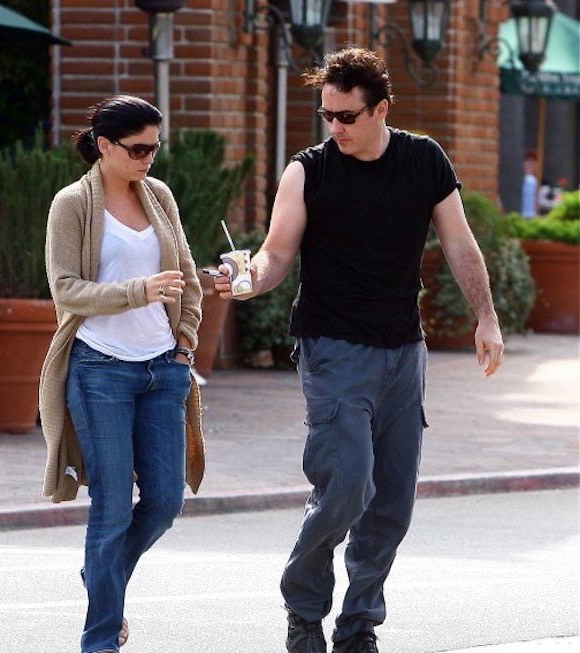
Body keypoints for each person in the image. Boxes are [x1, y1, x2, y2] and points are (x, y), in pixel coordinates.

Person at [214, 48, 504, 653]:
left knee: (392, 501)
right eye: (327, 116)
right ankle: (303, 607)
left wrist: (486, 317)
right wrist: (245, 279)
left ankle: (357, 626)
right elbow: (274, 255)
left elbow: (461, 246)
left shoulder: (424, 160)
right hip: (333, 348)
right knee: (347, 484)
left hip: (404, 351)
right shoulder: (308, 171)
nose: (336, 128)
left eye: (347, 116)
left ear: (381, 110)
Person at [38, 95, 204, 653]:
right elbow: (65, 289)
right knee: (110, 507)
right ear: (104, 146)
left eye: (155, 147)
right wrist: (139, 291)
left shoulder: (159, 195)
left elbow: (186, 275)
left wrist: (184, 344)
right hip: (99, 369)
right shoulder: (71, 205)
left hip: (163, 369)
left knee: (164, 501)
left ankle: (101, 579)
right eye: (136, 148)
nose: (148, 158)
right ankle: (100, 640)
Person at [521, 150, 538, 218]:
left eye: (533, 162)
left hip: (532, 215)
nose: (530, 165)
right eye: (528, 161)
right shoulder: (521, 179)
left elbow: (536, 200)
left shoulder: (536, 181)